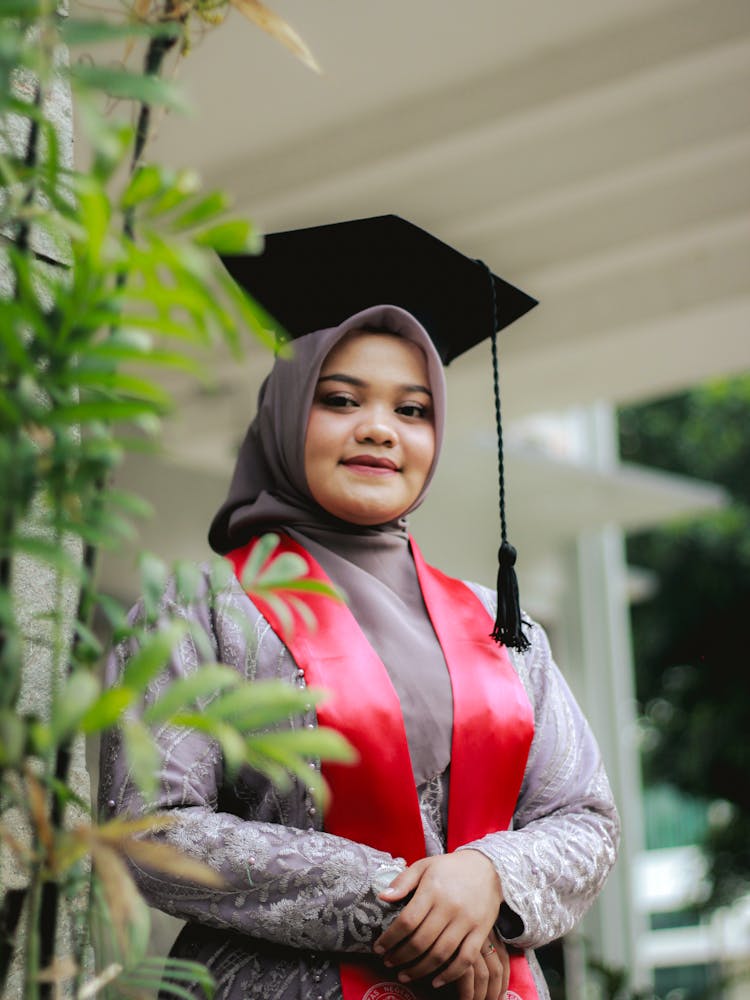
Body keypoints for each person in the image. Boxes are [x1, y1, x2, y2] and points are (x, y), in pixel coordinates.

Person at [99, 217, 620, 1000]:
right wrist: (410, 906)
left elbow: (583, 816)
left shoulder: (501, 628)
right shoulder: (203, 612)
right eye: (341, 400)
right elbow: (150, 828)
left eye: (413, 411)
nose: (380, 429)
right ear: (285, 412)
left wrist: (486, 877)